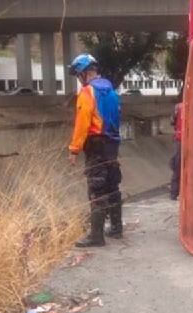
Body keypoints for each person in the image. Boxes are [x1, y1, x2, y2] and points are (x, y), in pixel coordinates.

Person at [67, 53, 123, 247]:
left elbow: (82, 123)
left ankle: (96, 236)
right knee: (112, 187)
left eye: (78, 75)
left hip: (96, 145)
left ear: (83, 73)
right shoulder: (111, 91)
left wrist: (74, 149)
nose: (78, 79)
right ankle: (116, 228)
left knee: (97, 190)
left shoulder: (87, 92)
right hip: (112, 145)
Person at [169, 100, 183, 200]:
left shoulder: (178, 107)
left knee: (176, 167)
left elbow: (172, 121)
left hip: (179, 140)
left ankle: (174, 193)